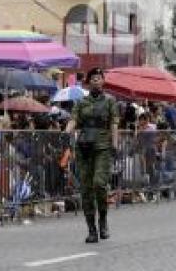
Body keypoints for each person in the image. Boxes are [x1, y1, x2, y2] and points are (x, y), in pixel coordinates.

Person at [65, 68, 119, 244]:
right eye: (93, 79)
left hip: (103, 147)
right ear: (89, 83)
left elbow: (114, 124)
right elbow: (74, 119)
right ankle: (92, 230)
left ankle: (102, 219)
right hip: (84, 147)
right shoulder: (81, 102)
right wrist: (67, 131)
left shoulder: (110, 101)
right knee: (86, 189)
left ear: (103, 81)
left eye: (99, 78)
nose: (96, 81)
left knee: (99, 184)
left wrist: (115, 144)